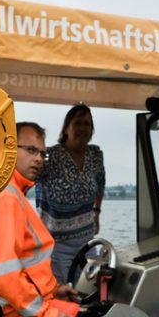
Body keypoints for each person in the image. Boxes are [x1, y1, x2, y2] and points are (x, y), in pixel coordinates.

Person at [0, 122, 80, 317]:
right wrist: (46, 315)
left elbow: (25, 261)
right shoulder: (7, 197)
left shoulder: (12, 192)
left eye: (42, 153)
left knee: (79, 315)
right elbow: (3, 272)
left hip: (15, 308)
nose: (39, 159)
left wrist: (54, 291)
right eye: (31, 150)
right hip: (10, 315)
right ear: (8, 149)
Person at [34, 104, 106, 283]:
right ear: (66, 128)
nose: (82, 128)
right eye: (77, 123)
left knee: (88, 291)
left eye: (87, 124)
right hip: (57, 244)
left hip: (87, 241)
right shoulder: (51, 156)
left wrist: (96, 213)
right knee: (63, 294)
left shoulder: (95, 154)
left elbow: (100, 185)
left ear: (92, 130)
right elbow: (27, 178)